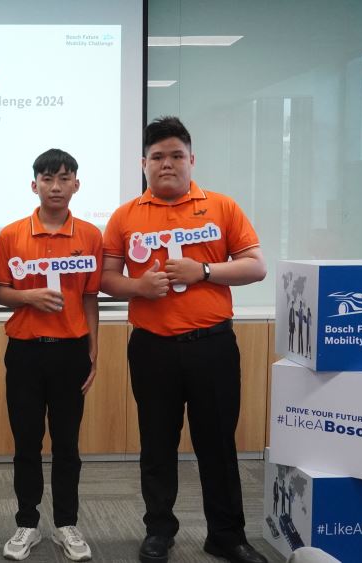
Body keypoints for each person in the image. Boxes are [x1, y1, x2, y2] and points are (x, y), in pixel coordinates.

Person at [100, 116, 268, 563]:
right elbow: (106, 278)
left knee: (218, 443)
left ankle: (226, 535)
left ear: (192, 160)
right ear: (144, 164)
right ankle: (159, 531)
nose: (167, 164)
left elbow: (256, 266)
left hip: (212, 346)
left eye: (176, 155)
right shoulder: (125, 215)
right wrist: (138, 287)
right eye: (157, 157)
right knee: (157, 444)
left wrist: (204, 271)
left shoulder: (222, 207)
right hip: (152, 347)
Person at [0, 149, 101, 562]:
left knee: (67, 444)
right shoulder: (12, 235)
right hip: (25, 351)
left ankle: (66, 524)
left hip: (71, 352)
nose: (56, 187)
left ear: (76, 184)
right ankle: (27, 523)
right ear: (34, 184)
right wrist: (29, 297)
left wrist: (93, 346)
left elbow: (89, 296)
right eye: (48, 178)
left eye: (64, 178)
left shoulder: (89, 235)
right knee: (26, 443)